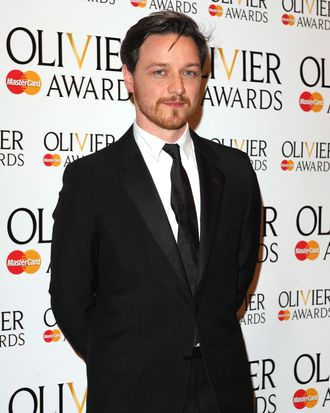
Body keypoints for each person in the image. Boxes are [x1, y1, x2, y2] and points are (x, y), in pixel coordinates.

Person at [50, 10, 261, 413]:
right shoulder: (91, 179)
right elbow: (69, 297)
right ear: (129, 77)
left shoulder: (235, 170)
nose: (177, 88)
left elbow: (236, 277)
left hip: (223, 388)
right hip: (132, 394)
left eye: (190, 72)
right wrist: (121, 362)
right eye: (160, 72)